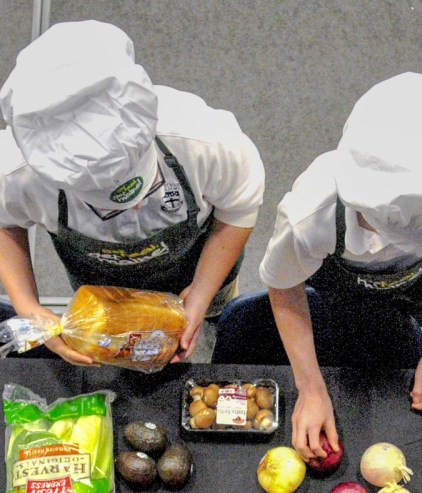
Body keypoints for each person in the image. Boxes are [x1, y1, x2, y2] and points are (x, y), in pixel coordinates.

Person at [227, 72, 422, 459]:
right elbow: (285, 287)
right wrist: (311, 389)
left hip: (411, 292)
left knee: (403, 331)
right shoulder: (313, 215)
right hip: (329, 291)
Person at [0, 20, 264, 364]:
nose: (135, 208)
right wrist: (30, 308)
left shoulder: (206, 141)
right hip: (99, 284)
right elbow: (5, 224)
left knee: (217, 317)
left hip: (198, 265)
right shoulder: (15, 171)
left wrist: (201, 293)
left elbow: (238, 210)